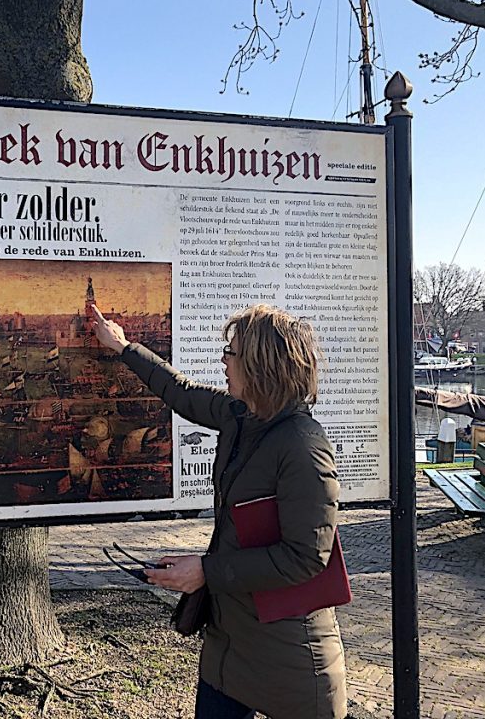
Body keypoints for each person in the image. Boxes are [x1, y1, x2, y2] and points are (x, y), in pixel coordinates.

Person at [91, 303, 346, 719]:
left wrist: (205, 571)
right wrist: (124, 348)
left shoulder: (303, 446)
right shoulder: (241, 416)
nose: (223, 361)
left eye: (232, 353)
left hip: (289, 651)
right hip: (229, 643)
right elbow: (182, 392)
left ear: (261, 365)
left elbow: (306, 557)